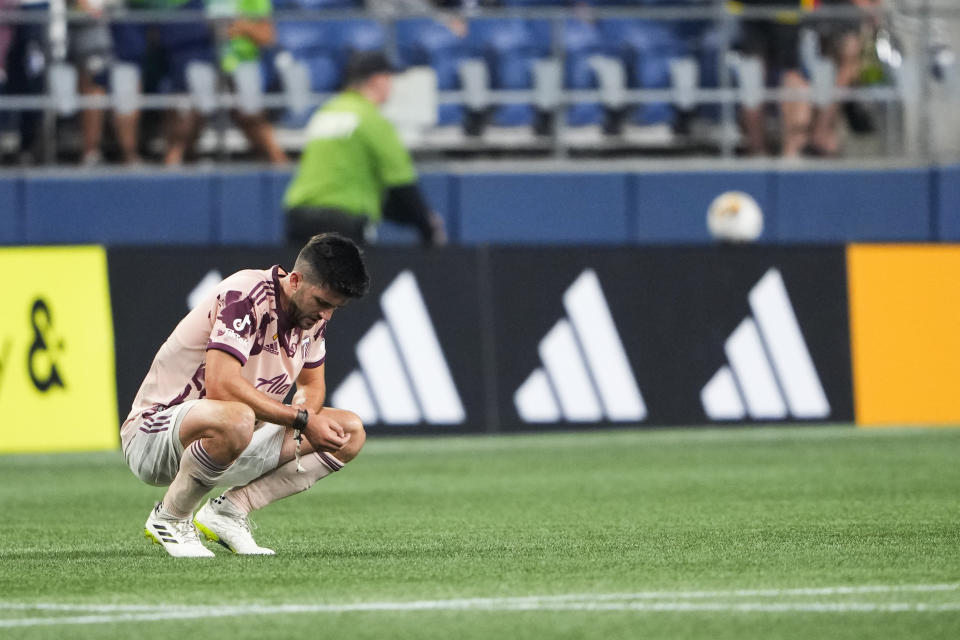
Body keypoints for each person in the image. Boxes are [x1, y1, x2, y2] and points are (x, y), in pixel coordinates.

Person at [122, 233, 370, 557]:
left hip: (236, 435)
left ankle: (229, 512)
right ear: (295, 280)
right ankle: (171, 518)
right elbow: (221, 385)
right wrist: (302, 419)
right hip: (155, 435)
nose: (326, 316)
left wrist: (304, 416)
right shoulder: (246, 294)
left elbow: (311, 386)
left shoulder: (313, 319)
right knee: (237, 416)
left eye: (335, 308)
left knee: (349, 431)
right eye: (323, 303)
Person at [284, 50, 446, 247]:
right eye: (389, 78)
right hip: (341, 221)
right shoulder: (371, 119)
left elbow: (343, 178)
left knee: (300, 277)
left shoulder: (325, 112)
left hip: (297, 217)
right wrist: (426, 226)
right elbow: (402, 184)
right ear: (377, 80)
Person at [735, 0, 812, 157]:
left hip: (776, 12)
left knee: (785, 74)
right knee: (760, 73)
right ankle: (779, 151)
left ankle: (763, 150)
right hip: (759, 11)